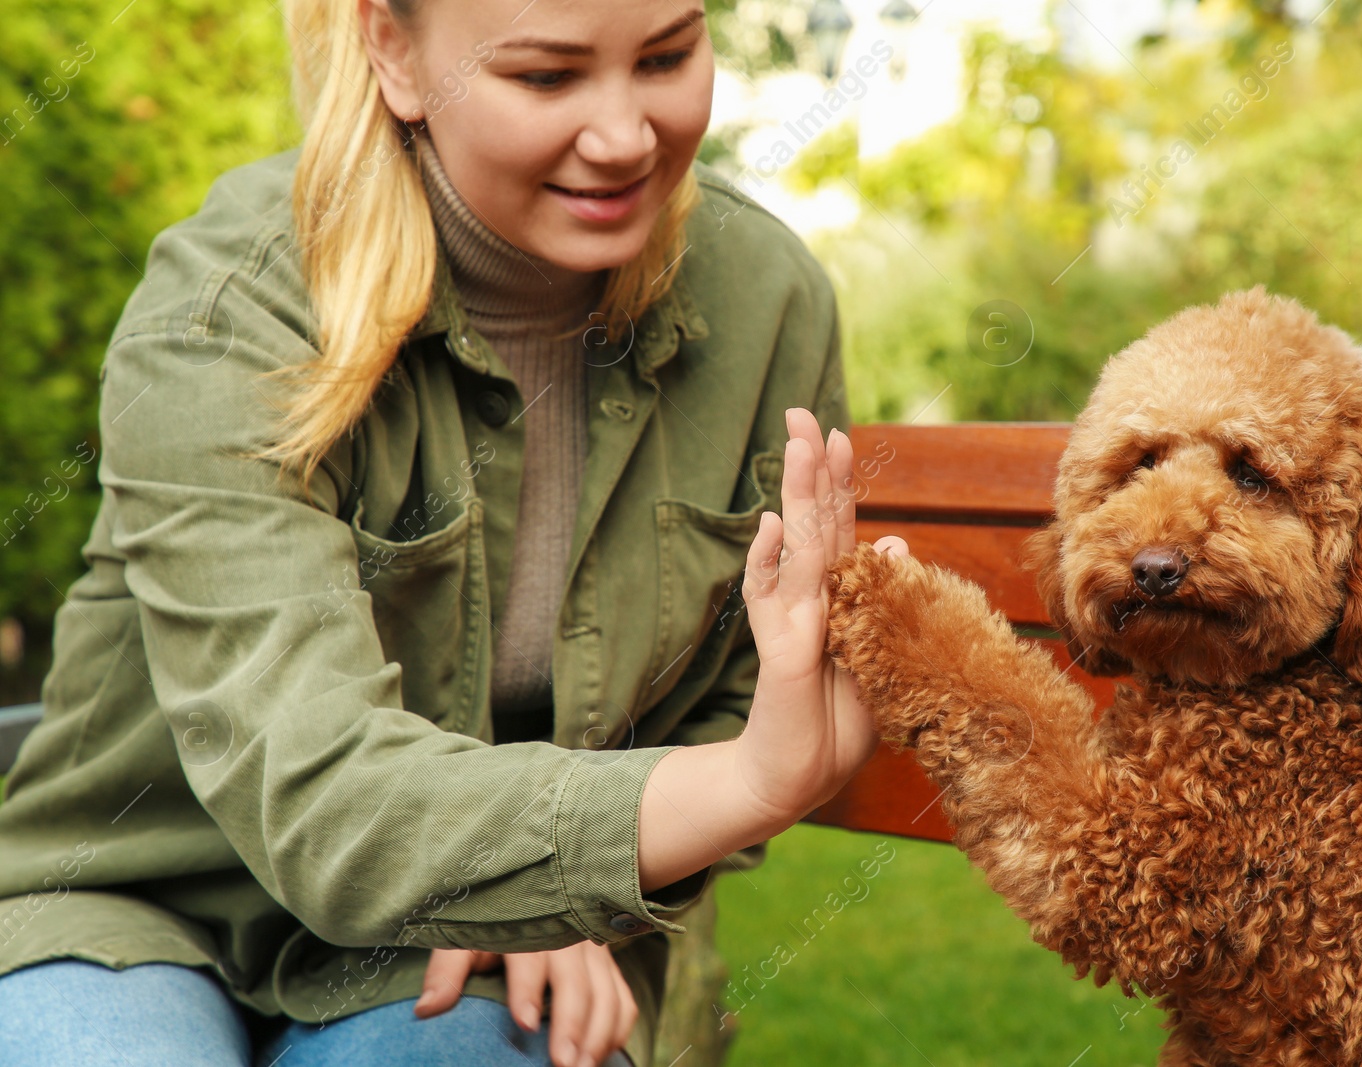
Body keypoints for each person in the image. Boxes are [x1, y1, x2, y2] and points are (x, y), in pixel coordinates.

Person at [0, 0, 907, 1064]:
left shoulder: (766, 302)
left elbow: (740, 697)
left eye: (665, 55)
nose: (624, 136)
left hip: (476, 955)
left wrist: (560, 899)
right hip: (143, 910)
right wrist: (629, 836)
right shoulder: (234, 306)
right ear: (390, 48)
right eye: (546, 76)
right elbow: (325, 796)